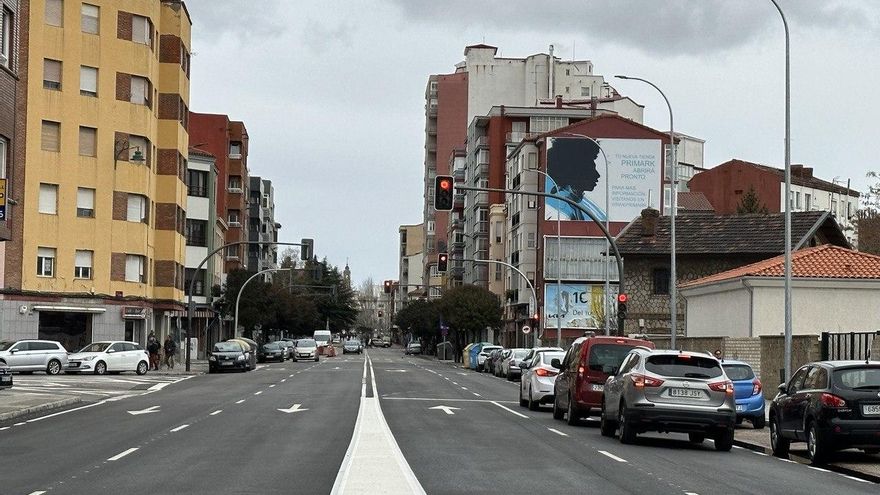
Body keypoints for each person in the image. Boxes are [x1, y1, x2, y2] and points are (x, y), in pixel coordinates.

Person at [545, 137, 607, 222]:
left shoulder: (573, 202)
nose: (597, 175)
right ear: (575, 171)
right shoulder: (561, 207)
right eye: (590, 169)